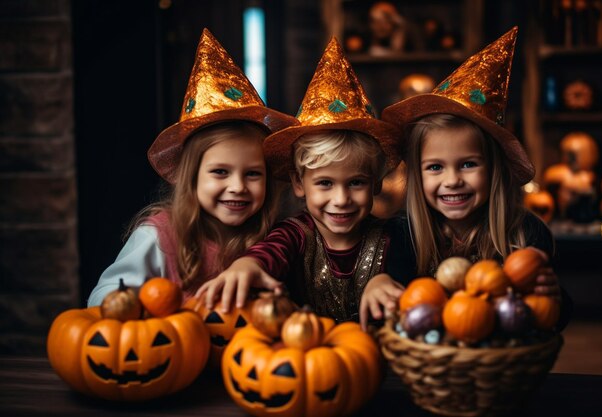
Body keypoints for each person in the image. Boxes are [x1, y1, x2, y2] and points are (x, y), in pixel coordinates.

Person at [196, 38, 404, 324]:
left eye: (356, 183)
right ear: (298, 184)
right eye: (325, 184)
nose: (341, 199)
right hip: (304, 358)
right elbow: (271, 252)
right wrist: (247, 264)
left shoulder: (394, 236)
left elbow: (414, 283)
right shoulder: (295, 235)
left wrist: (385, 281)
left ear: (377, 183)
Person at [87, 29, 297, 306]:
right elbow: (104, 298)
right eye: (220, 172)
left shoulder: (272, 237)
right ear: (192, 177)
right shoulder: (159, 235)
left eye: (253, 174)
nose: (237, 186)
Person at [376, 27, 570, 327]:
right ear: (417, 173)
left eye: (468, 164)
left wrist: (554, 297)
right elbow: (399, 310)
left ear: (494, 168)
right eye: (435, 167)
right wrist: (379, 283)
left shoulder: (526, 234)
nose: (452, 180)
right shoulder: (403, 235)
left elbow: (548, 318)